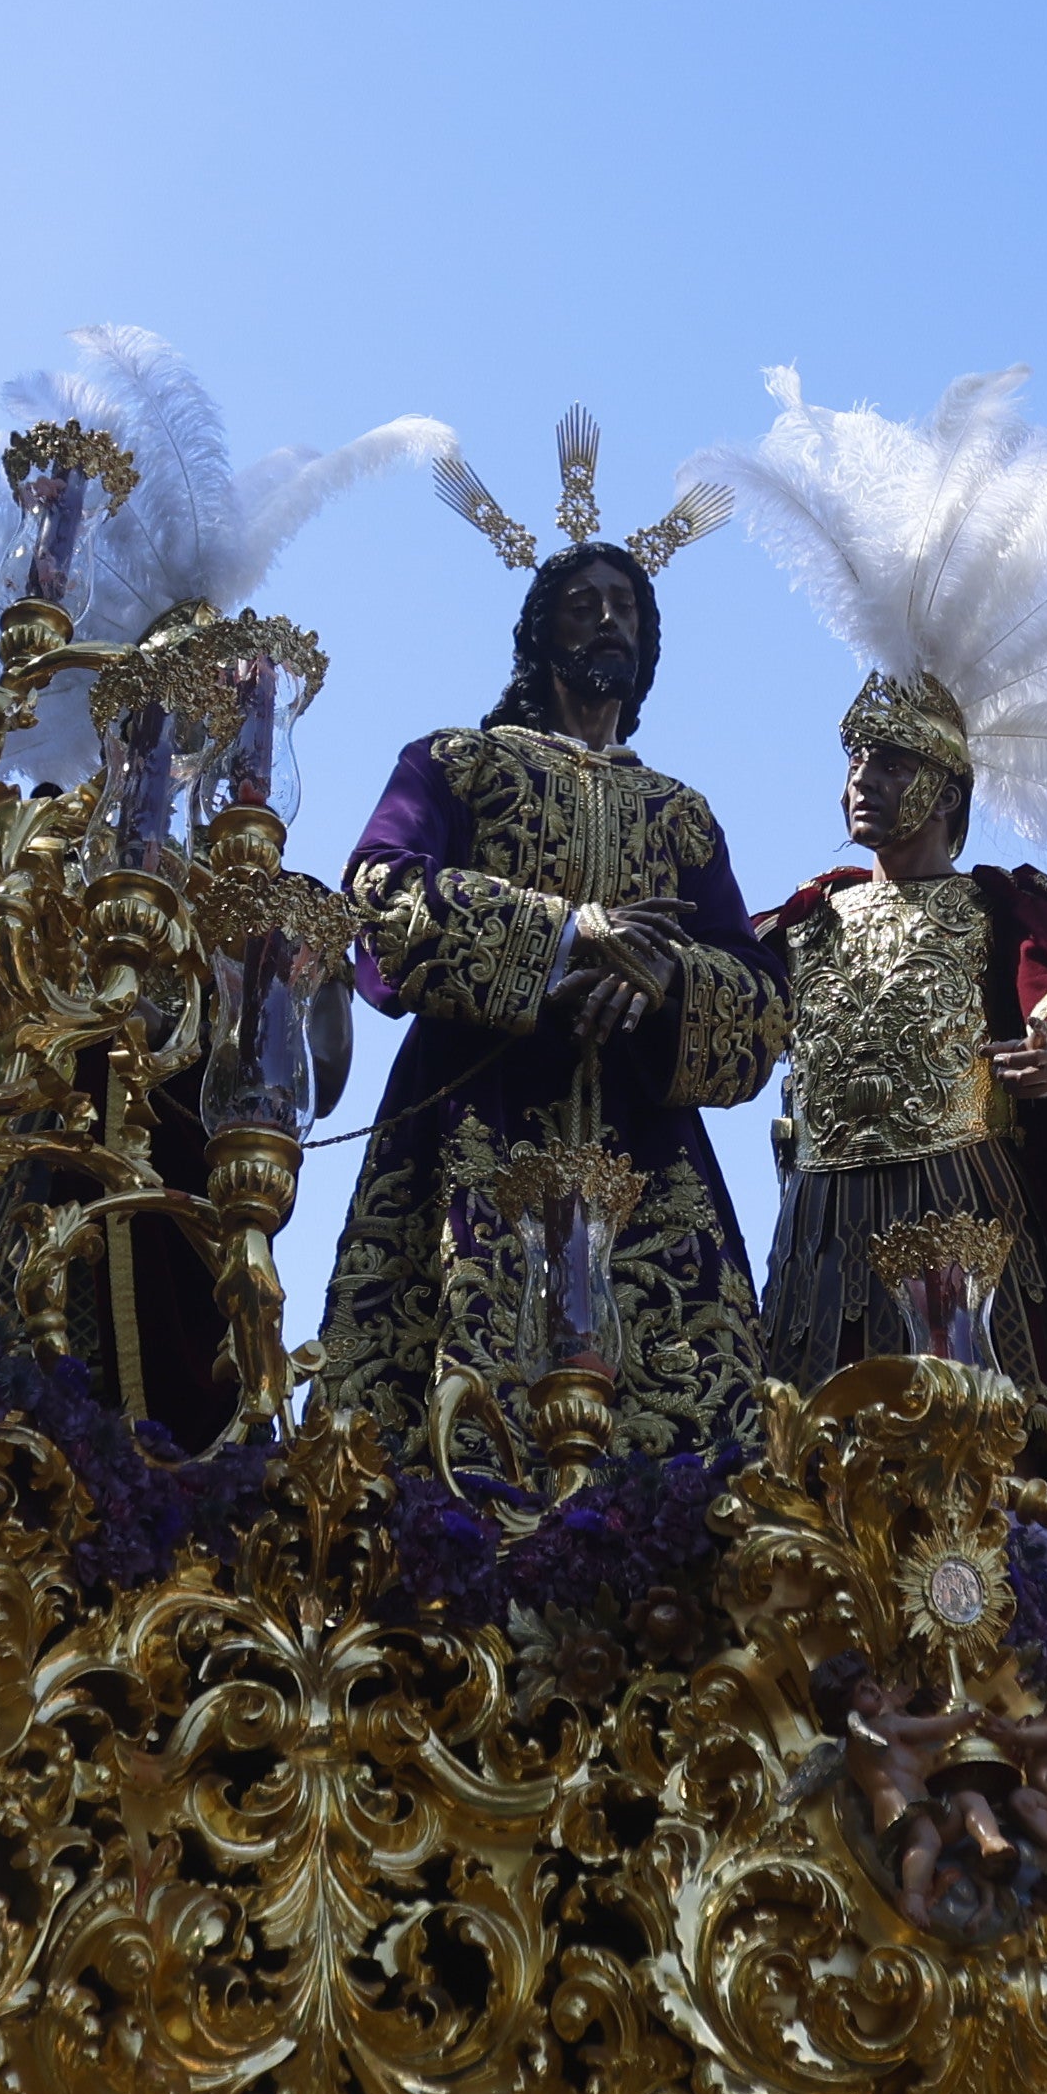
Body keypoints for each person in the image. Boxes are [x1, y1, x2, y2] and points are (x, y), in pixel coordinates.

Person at [316, 431, 788, 1460]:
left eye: (627, 605)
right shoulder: (456, 762)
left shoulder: (682, 816)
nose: (610, 616)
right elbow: (382, 890)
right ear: (538, 634)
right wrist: (570, 935)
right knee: (437, 1411)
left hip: (646, 1152)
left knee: (687, 1446)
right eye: (584, 602)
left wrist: (667, 982)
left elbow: (761, 997)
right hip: (470, 1121)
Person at [751, 679, 1047, 1502]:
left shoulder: (1003, 908)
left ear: (948, 790)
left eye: (895, 765)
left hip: (965, 1210)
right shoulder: (803, 921)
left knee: (987, 1451)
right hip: (820, 1226)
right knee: (810, 1446)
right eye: (859, 761)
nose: (863, 780)